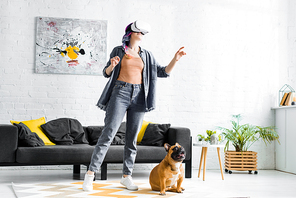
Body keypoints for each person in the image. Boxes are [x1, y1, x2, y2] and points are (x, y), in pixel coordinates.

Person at [83, 20, 186, 191]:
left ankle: (126, 176)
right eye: (138, 31)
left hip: (140, 96)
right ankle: (90, 175)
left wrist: (175, 59)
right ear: (130, 33)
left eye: (143, 32)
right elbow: (106, 73)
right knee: (108, 134)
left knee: (131, 139)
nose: (141, 34)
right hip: (120, 92)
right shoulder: (118, 50)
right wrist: (112, 65)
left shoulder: (147, 54)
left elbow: (163, 72)